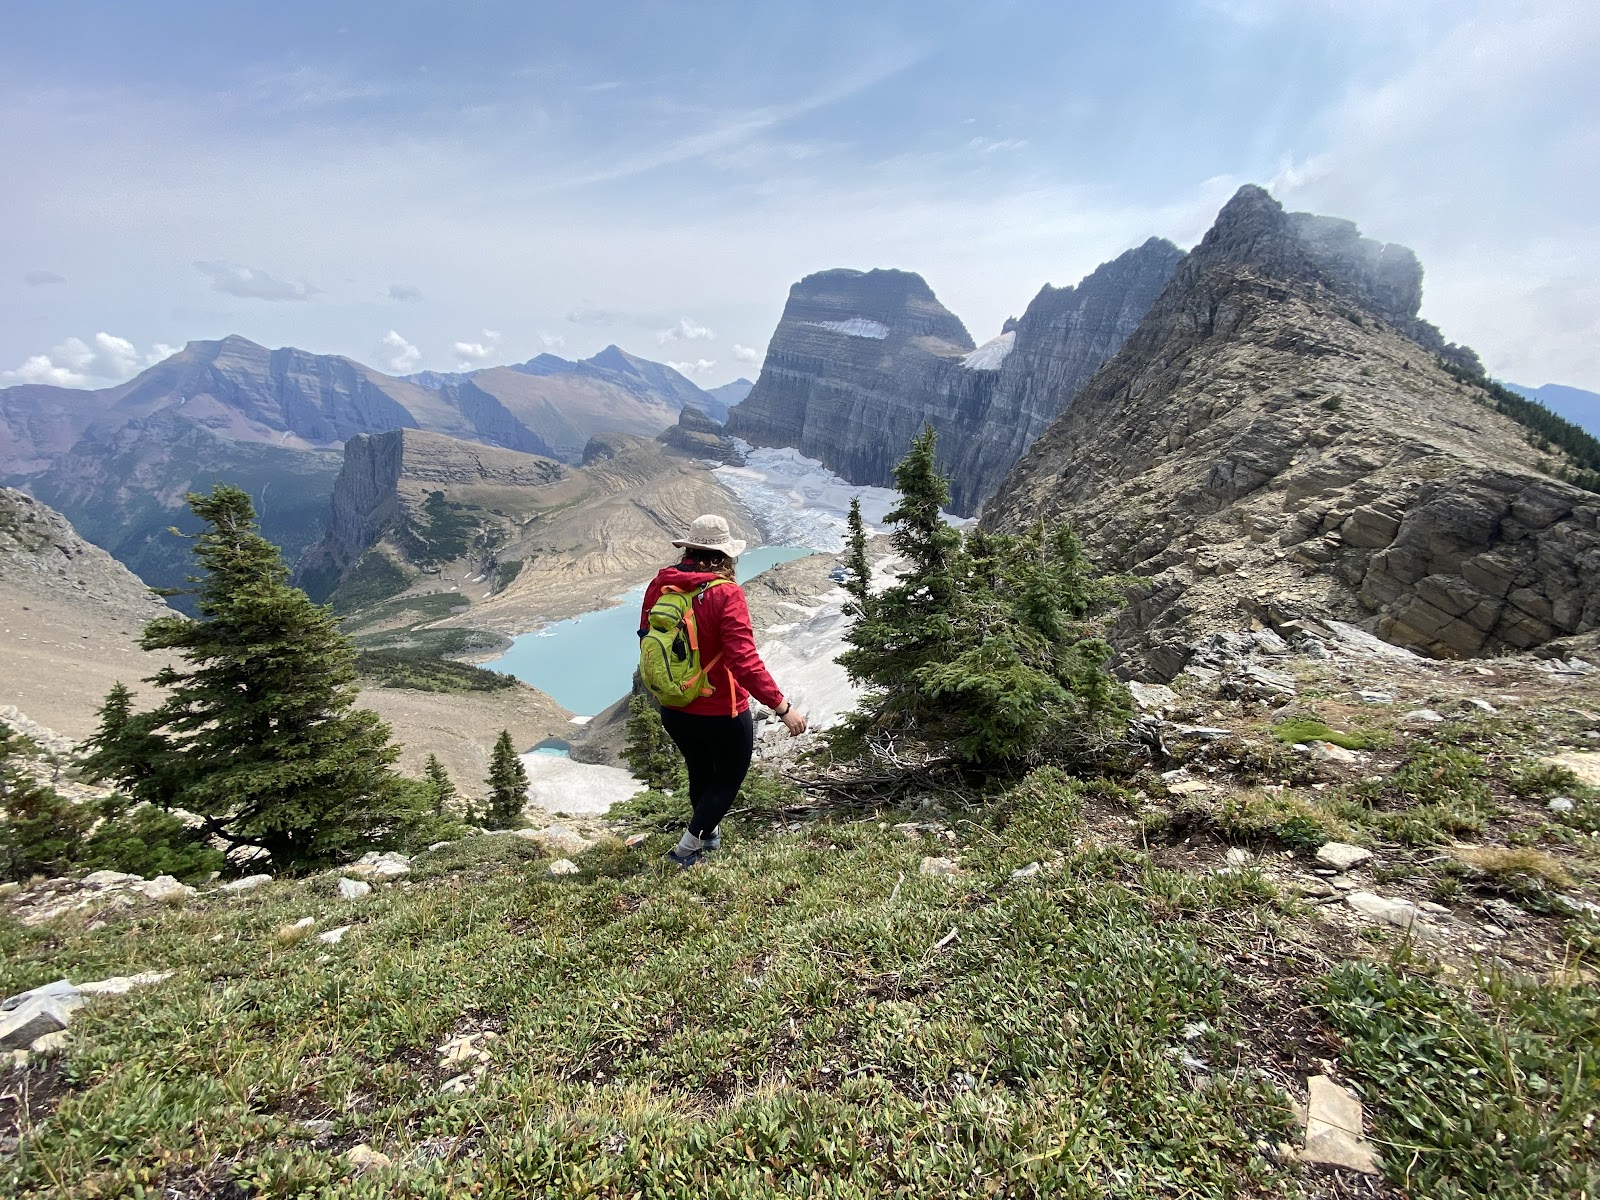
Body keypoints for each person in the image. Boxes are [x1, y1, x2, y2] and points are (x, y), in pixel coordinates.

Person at [639, 514, 807, 869]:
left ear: (689, 549)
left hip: (674, 703)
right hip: (720, 709)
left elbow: (645, 638)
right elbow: (743, 660)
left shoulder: (661, 584)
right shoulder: (725, 593)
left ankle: (708, 835)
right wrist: (781, 707)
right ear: (722, 556)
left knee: (700, 770)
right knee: (728, 779)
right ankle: (686, 850)